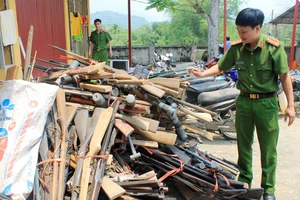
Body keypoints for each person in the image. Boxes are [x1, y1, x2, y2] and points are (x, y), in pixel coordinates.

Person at [188, 8, 295, 200]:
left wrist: (290, 106)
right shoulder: (237, 49)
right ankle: (244, 184)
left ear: (257, 28)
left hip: (267, 104)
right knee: (243, 146)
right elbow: (221, 66)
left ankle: (268, 189)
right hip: (244, 102)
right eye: (239, 31)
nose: (241, 35)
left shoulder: (273, 48)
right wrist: (202, 74)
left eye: (244, 31)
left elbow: (285, 77)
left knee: (268, 149)